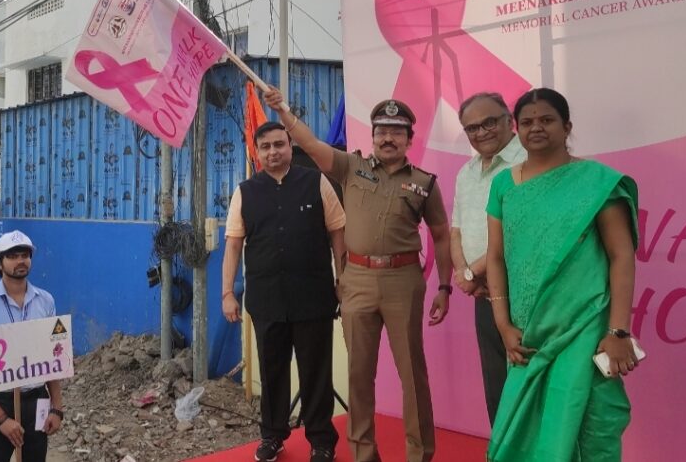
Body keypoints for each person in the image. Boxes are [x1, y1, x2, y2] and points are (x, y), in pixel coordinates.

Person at [263, 87, 453, 462]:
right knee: (359, 375)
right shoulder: (352, 167)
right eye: (381, 130)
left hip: (404, 281)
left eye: (397, 131)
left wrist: (445, 286)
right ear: (373, 136)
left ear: (409, 139)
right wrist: (283, 110)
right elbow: (311, 143)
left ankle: (420, 454)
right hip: (358, 280)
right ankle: (364, 454)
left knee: (412, 376)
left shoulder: (424, 182)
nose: (387, 137)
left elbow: (442, 235)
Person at [485, 88, 639, 461]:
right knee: (525, 426)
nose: (536, 127)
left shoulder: (596, 182)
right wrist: (503, 325)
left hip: (584, 327)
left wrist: (617, 331)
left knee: (587, 422)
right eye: (527, 122)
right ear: (515, 129)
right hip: (528, 334)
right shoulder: (503, 185)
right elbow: (495, 256)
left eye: (547, 119)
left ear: (566, 126)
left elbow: (622, 256)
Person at [221, 121, 344, 462]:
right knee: (272, 371)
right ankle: (272, 436)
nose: (273, 152)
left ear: (291, 146)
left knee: (316, 372)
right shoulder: (245, 191)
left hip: (314, 297)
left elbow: (338, 232)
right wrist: (227, 293)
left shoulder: (316, 182)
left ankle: (321, 441)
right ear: (257, 152)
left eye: (279, 145)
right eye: (266, 147)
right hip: (267, 300)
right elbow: (233, 245)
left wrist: (342, 278)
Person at [450, 93, 526, 425]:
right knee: (496, 382)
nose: (481, 132)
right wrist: (463, 273)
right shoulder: (466, 172)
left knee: (527, 380)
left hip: (523, 292)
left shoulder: (529, 161)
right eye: (471, 128)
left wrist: (473, 272)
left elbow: (520, 231)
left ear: (509, 120)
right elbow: (456, 230)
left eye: (489, 122)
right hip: (485, 294)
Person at [0, 231, 64, 462]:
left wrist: (56, 407)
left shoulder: (45, 301)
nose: (21, 261)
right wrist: (1, 419)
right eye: (12, 256)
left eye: (25, 255)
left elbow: (53, 358)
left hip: (36, 399)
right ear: (0, 263)